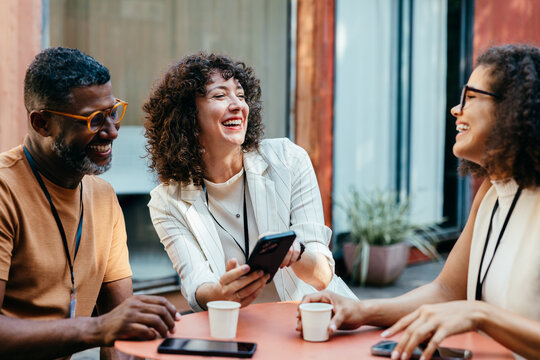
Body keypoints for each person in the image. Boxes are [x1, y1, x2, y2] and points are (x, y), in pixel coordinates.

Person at [298, 44, 540, 360]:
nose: (456, 109)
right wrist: (358, 310)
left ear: (513, 109)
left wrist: (480, 315)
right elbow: (446, 292)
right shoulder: (492, 192)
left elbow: (466, 307)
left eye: (471, 97)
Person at [0, 47, 180, 359]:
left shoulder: (103, 197)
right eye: (94, 120)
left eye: (112, 112)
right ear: (42, 123)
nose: (111, 131)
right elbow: (107, 328)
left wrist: (119, 330)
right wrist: (98, 328)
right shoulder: (5, 191)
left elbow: (120, 335)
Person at [144, 52, 355, 312]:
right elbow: (196, 285)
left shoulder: (288, 160)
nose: (238, 105)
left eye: (241, 96)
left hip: (316, 319)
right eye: (220, 96)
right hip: (239, 330)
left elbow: (322, 275)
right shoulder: (167, 202)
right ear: (187, 117)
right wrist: (222, 293)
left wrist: (296, 252)